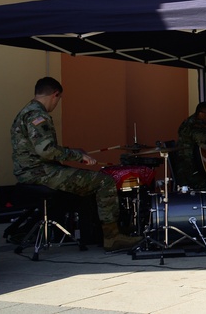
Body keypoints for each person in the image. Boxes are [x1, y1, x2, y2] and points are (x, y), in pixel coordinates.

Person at [11, 77, 142, 252]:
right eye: (58, 99)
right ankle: (112, 237)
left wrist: (73, 151)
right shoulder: (38, 115)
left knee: (86, 182)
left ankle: (93, 234)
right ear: (55, 95)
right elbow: (47, 150)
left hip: (30, 172)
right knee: (104, 182)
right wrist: (77, 156)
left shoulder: (24, 112)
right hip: (41, 173)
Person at [174, 101, 206, 191]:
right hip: (192, 176)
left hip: (193, 171)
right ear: (201, 115)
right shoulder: (196, 126)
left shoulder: (190, 122)